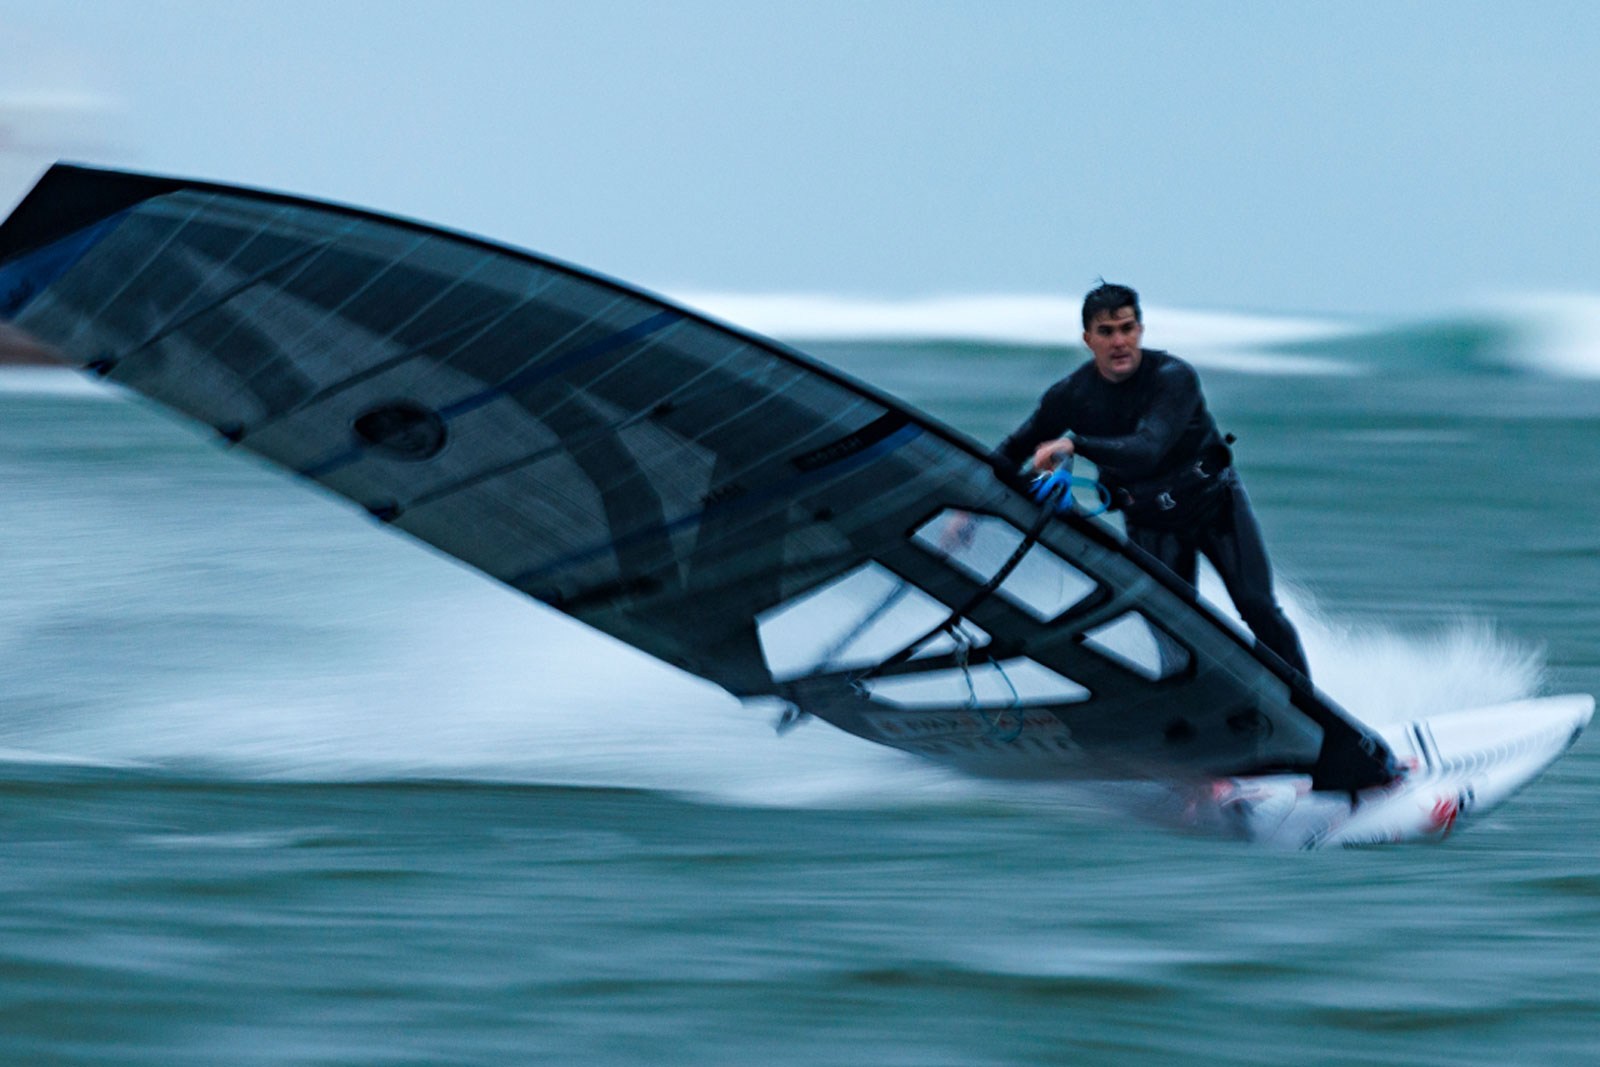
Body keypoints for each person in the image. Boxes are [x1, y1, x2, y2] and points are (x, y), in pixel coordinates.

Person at [994, 282, 1311, 680]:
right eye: (1106, 332)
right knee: (1170, 628)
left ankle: (1313, 707)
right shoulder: (1070, 395)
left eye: (1127, 328)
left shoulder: (1172, 377)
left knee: (1257, 606)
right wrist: (966, 511)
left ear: (1140, 330)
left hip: (1215, 505)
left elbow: (1148, 447)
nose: (1119, 341)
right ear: (1088, 339)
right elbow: (1012, 450)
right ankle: (1192, 712)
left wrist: (1074, 444)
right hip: (1151, 522)